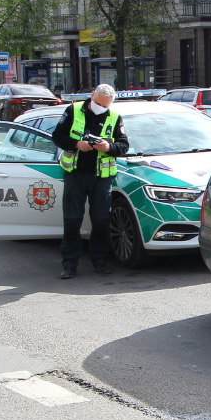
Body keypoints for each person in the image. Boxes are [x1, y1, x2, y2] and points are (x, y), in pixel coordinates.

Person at [50, 83, 130, 279]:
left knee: (101, 221)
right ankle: (69, 265)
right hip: (75, 175)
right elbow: (57, 136)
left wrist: (108, 147)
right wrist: (77, 144)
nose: (101, 108)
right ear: (92, 95)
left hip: (101, 178)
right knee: (72, 220)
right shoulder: (73, 110)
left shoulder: (114, 116)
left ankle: (100, 263)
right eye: (99, 103)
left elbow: (124, 146)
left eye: (105, 105)